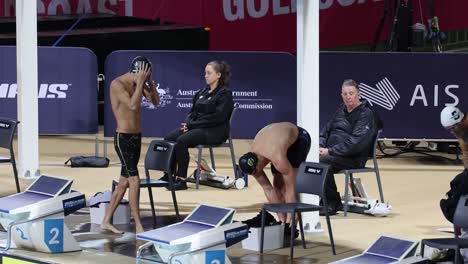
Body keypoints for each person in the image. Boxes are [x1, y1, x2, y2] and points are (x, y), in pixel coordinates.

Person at [101, 56, 160, 234]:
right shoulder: (117, 84)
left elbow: (156, 101)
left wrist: (149, 82)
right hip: (123, 138)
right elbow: (133, 106)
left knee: (124, 182)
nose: (140, 82)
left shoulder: (139, 83)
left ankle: (105, 221)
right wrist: (141, 82)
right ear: (134, 72)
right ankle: (139, 226)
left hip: (136, 137)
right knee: (135, 180)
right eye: (141, 76)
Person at [164, 61, 234, 190]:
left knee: (181, 141)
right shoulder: (202, 92)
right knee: (169, 138)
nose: (205, 76)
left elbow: (217, 117)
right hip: (197, 128)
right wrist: (188, 123)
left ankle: (181, 180)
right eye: (205, 73)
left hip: (214, 131)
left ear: (218, 75)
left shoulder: (225, 94)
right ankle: (168, 174)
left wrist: (192, 125)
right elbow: (192, 112)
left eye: (209, 73)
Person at [238, 122, 311, 236]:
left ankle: (294, 224)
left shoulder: (276, 157)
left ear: (258, 162)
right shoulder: (253, 161)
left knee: (288, 187)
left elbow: (291, 188)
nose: (256, 174)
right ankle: (283, 222)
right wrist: (281, 219)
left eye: (256, 171)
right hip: (276, 140)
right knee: (277, 185)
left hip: (298, 140)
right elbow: (268, 189)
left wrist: (290, 219)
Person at [319, 79, 378, 215]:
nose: (348, 97)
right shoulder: (339, 111)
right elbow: (324, 133)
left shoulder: (366, 114)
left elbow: (355, 143)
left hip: (353, 158)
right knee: (311, 159)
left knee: (321, 162)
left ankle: (332, 202)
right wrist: (321, 146)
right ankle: (321, 200)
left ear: (359, 94)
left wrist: (330, 151)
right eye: (345, 94)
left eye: (351, 93)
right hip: (333, 155)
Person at [439, 105, 468, 262]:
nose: (451, 132)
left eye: (451, 129)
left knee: (457, 192)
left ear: (458, 124)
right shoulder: (463, 131)